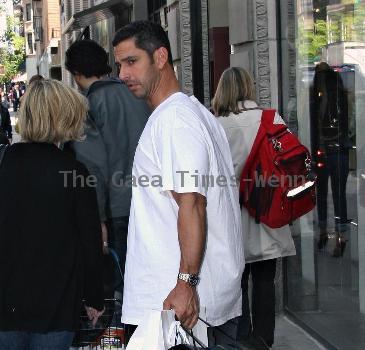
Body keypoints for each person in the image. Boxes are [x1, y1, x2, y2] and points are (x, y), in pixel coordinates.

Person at [112, 21, 244, 346]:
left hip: (181, 310)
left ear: (160, 57)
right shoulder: (191, 113)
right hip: (190, 306)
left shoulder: (175, 121)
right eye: (119, 65)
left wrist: (186, 284)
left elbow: (193, 202)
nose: (123, 74)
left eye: (132, 62)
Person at [0, 79, 104, 350]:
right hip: (56, 306)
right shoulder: (74, 172)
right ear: (64, 117)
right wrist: (95, 299)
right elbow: (90, 243)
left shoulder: (3, 162)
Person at [212, 67, 296, 350]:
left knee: (237, 281)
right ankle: (263, 341)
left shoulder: (214, 125)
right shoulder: (270, 119)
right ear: (249, 87)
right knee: (265, 281)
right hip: (267, 212)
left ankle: (242, 337)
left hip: (231, 215)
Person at [65, 39, 150, 301]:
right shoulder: (138, 94)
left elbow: (94, 169)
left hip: (117, 210)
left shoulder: (88, 106)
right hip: (150, 200)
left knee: (121, 287)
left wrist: (97, 219)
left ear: (77, 75)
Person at [310, 62, 350, 256]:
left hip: (323, 149)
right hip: (338, 147)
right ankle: (340, 237)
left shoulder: (319, 90)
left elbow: (314, 122)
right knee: (338, 194)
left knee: (322, 194)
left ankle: (324, 233)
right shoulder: (339, 88)